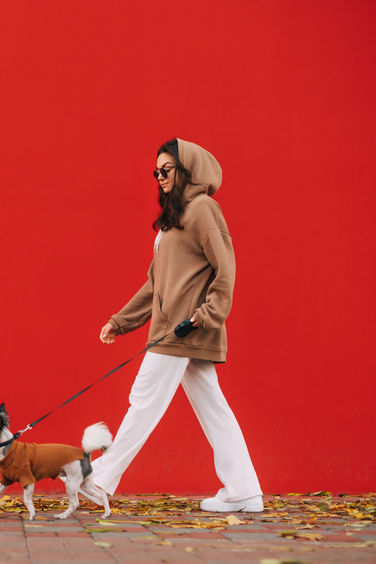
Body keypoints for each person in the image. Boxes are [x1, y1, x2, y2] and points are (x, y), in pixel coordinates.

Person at [93, 138, 263, 512]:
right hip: (175, 328)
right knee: (212, 408)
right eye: (156, 172)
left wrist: (206, 315)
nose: (160, 177)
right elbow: (156, 284)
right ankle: (244, 488)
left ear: (188, 170)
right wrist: (120, 322)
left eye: (166, 170)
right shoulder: (174, 219)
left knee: (143, 401)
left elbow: (226, 270)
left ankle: (101, 478)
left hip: (184, 330)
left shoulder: (203, 209)